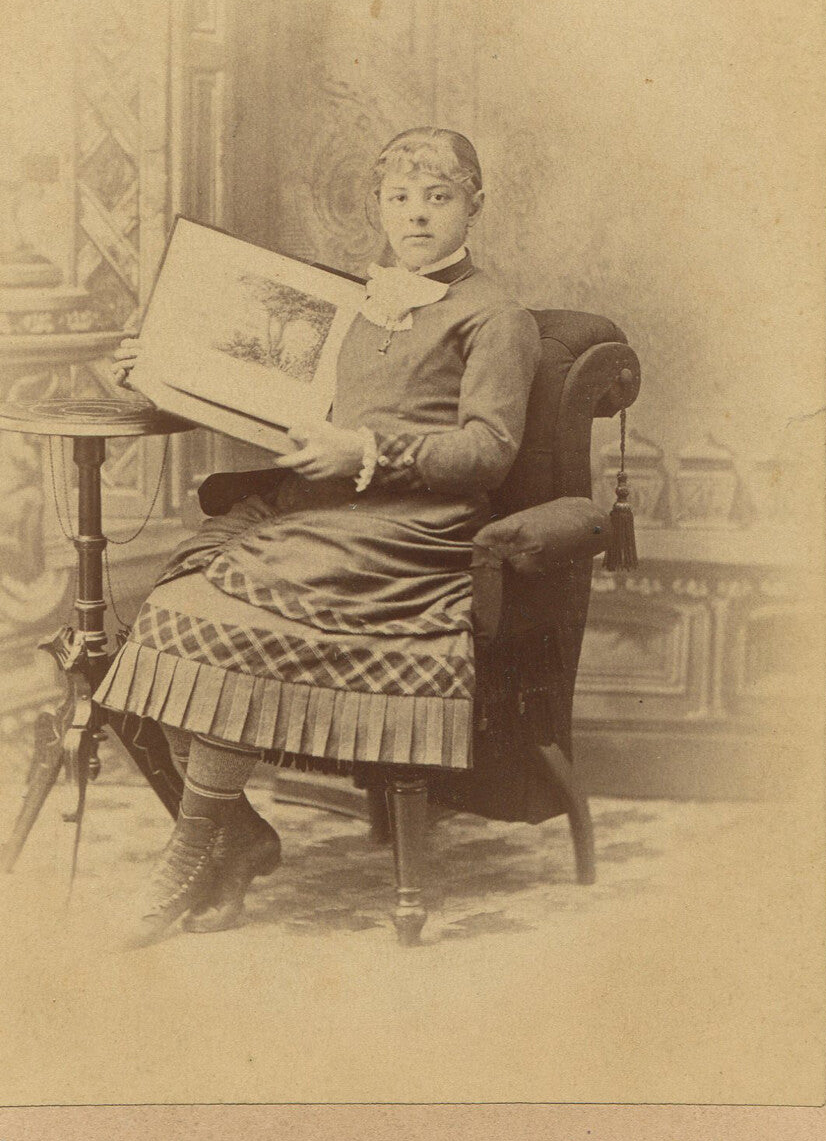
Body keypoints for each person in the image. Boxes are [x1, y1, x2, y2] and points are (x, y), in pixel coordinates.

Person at [100, 127, 542, 944]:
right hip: (321, 509)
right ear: (376, 205)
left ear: (474, 205)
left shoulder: (496, 316)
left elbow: (488, 452)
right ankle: (237, 837)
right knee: (165, 609)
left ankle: (196, 850)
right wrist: (160, 368)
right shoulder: (360, 298)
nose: (416, 216)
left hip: (411, 529)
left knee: (227, 625)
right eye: (399, 198)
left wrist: (368, 450)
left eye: (438, 198)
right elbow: (264, 388)